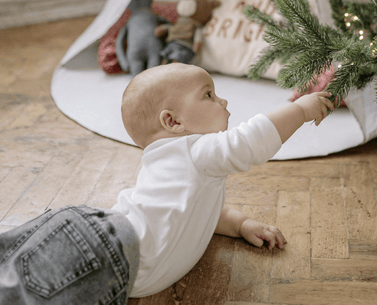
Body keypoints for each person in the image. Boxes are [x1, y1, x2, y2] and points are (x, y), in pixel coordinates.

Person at [0, 64, 334, 303]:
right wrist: (300, 110)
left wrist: (242, 224)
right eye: (208, 95)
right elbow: (250, 141)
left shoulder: (181, 163)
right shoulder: (195, 152)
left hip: (101, 244)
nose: (224, 102)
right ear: (172, 122)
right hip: (105, 246)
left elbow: (195, 211)